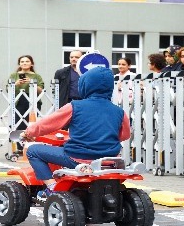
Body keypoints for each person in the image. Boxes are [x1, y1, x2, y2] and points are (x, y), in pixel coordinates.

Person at [21, 66, 131, 199]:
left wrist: (29, 132)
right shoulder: (119, 111)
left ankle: (51, 188)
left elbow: (48, 124)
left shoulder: (75, 106)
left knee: (33, 151)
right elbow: (125, 135)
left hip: (78, 158)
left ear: (85, 86)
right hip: (108, 160)